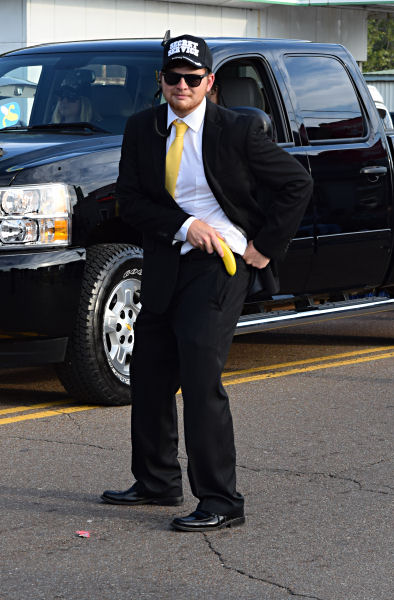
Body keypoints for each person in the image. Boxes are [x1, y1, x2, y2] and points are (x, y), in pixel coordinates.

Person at [101, 34, 313, 532]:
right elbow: (129, 202)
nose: (181, 85)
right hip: (167, 258)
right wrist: (183, 226)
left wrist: (262, 248)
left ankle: (221, 501)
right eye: (173, 77)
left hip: (221, 263)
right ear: (161, 81)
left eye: (192, 78)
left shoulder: (236, 131)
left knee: (199, 376)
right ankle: (156, 481)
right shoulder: (142, 129)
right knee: (150, 371)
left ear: (209, 82)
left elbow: (296, 183)